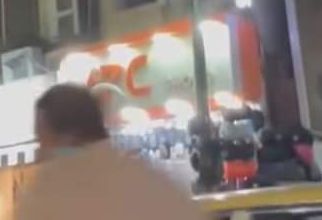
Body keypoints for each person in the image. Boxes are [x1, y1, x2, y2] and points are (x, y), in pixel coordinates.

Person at [13, 84, 204, 220]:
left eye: (42, 139)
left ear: (63, 137)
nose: (40, 151)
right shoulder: (151, 180)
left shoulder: (49, 194)